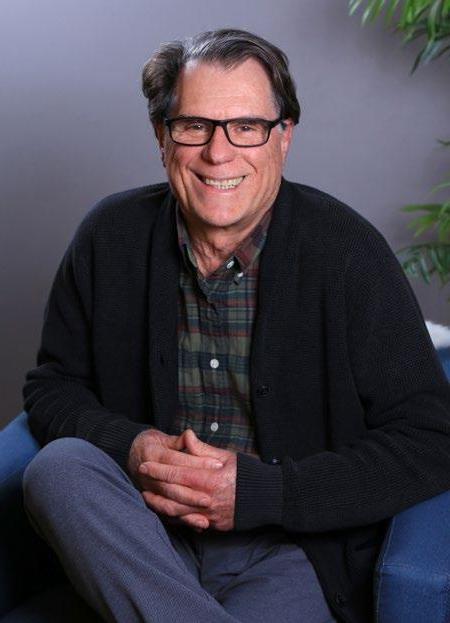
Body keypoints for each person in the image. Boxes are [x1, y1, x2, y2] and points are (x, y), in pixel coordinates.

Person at [20, 28, 450, 623]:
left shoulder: (348, 253)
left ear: (284, 137)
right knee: (60, 469)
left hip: (292, 550)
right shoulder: (109, 236)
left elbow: (431, 441)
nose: (218, 153)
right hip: (141, 536)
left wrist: (260, 493)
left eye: (246, 126)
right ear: (162, 137)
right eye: (194, 125)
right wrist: (133, 447)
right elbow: (53, 388)